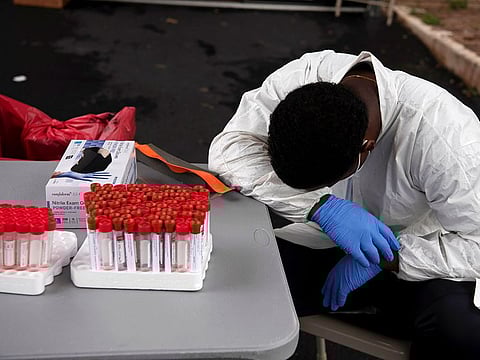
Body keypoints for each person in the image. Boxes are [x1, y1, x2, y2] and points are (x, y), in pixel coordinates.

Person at [208, 50, 480, 359]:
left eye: (322, 186)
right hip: (324, 239)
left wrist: (389, 257)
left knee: (461, 333)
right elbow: (229, 149)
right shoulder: (302, 78)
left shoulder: (449, 138)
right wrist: (323, 207)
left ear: (367, 149)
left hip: (425, 260)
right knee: (227, 283)